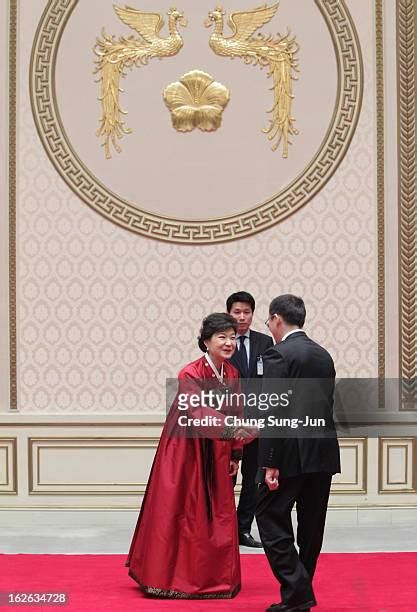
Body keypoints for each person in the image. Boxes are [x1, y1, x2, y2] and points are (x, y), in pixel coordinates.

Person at [127, 313, 252, 599]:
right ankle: (174, 577)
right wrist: (233, 428)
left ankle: (214, 576)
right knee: (183, 512)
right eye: (221, 337)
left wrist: (236, 453)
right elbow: (196, 413)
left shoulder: (232, 373)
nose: (229, 342)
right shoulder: (190, 373)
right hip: (187, 451)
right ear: (206, 341)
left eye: (233, 337)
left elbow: (236, 409)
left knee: (217, 513)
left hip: (219, 447)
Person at [256, 295, 341, 612]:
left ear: (277, 319)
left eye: (268, 322)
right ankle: (299, 594)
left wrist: (269, 462)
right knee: (311, 525)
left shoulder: (278, 354)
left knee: (267, 514)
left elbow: (274, 411)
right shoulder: (323, 354)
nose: (270, 327)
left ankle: (297, 590)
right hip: (322, 452)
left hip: (290, 454)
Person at [226, 291, 273, 548]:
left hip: (255, 423)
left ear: (253, 314)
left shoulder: (265, 343)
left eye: (247, 312)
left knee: (252, 478)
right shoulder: (221, 343)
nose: (242, 317)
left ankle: (243, 528)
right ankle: (223, 530)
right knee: (226, 477)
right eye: (237, 312)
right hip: (229, 423)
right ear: (229, 313)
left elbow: (271, 382)